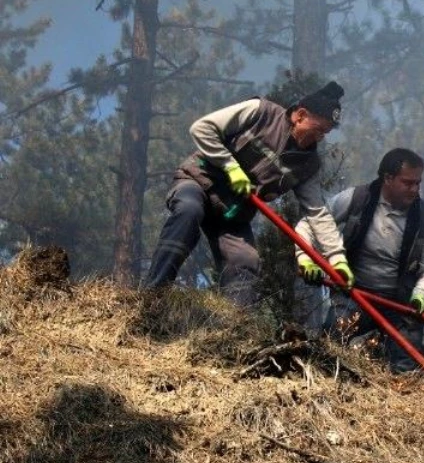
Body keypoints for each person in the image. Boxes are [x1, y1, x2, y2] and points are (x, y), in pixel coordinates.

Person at [143, 81, 353, 305]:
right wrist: (230, 166)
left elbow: (317, 212)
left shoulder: (308, 165)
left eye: (326, 133)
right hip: (198, 183)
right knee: (188, 212)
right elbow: (202, 128)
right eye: (319, 129)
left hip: (233, 214)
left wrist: (336, 258)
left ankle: (234, 333)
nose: (320, 138)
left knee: (245, 260)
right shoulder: (260, 112)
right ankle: (152, 298)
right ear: (300, 116)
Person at [298, 147, 424, 372]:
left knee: (406, 366)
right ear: (388, 178)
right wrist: (306, 259)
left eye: (418, 183)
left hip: (399, 305)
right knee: (328, 349)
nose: (415, 189)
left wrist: (420, 295)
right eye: (408, 183)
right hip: (354, 295)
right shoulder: (357, 199)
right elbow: (310, 224)